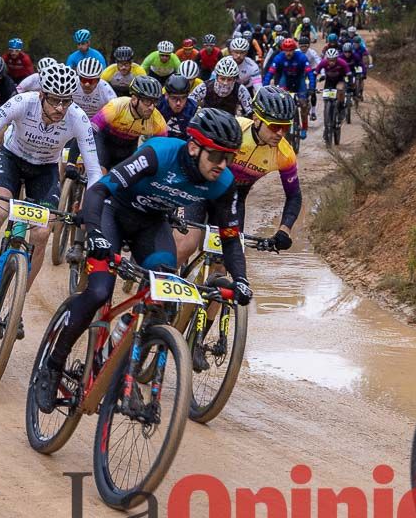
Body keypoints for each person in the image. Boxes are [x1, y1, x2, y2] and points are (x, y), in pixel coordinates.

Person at [32, 108, 253, 413]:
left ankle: (120, 358)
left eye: (229, 157)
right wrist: (94, 234)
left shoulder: (223, 182)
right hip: (112, 212)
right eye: (216, 156)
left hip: (150, 225)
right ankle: (53, 365)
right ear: (193, 147)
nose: (223, 165)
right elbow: (98, 191)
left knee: (163, 294)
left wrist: (240, 278)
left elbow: (230, 235)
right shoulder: (158, 154)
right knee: (98, 291)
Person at [0, 64, 102, 308]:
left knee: (42, 234)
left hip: (44, 171)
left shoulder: (78, 118)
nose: (60, 109)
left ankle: (17, 303)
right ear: (42, 94)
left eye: (66, 102)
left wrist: (91, 206)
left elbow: (95, 169)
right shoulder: (23, 102)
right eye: (55, 101)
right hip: (12, 160)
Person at [175, 86, 300, 266]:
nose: (280, 133)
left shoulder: (285, 154)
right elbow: (194, 150)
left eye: (286, 127)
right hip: (199, 189)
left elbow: (294, 195)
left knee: (223, 263)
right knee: (186, 246)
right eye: (275, 126)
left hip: (233, 200)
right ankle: (152, 288)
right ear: (256, 119)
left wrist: (284, 230)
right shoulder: (235, 128)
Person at [90, 75, 169, 169]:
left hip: (128, 148)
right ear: (134, 99)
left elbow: (164, 150)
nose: (151, 107)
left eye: (155, 102)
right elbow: (89, 131)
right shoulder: (116, 106)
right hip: (105, 141)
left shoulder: (157, 120)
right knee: (101, 171)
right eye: (147, 101)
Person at [265, 38, 314, 138]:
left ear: (294, 50)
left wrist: (312, 87)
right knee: (282, 102)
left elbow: (310, 73)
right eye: (286, 50)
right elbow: (270, 73)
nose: (288, 53)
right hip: (286, 80)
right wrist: (264, 87)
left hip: (299, 81)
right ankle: (282, 124)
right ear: (283, 50)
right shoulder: (279, 58)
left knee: (303, 104)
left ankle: (304, 127)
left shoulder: (301, 57)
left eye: (290, 50)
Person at [158, 73, 198, 140]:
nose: (178, 103)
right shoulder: (158, 105)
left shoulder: (194, 109)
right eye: (174, 98)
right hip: (160, 141)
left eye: (183, 98)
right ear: (166, 95)